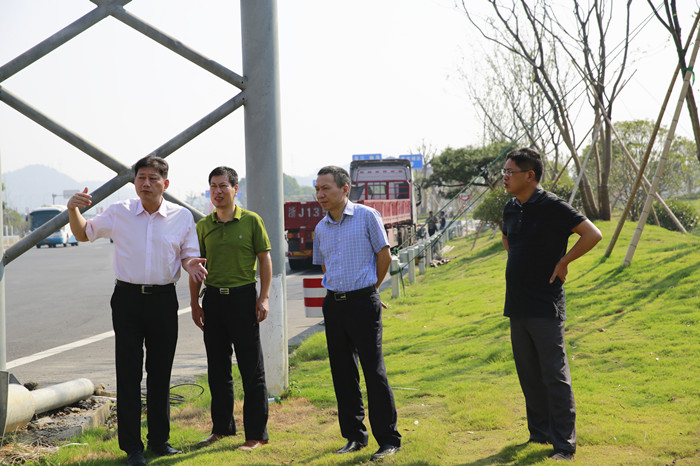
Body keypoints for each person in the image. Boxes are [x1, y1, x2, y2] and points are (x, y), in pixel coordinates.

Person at [67, 156, 208, 466]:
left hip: (163, 300)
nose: (146, 183)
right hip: (127, 300)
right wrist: (73, 210)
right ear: (134, 182)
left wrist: (191, 266)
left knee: (160, 372)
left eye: (153, 178)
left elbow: (188, 256)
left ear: (165, 184)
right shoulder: (119, 212)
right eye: (141, 177)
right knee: (128, 373)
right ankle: (132, 448)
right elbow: (83, 233)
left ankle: (159, 441)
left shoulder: (182, 216)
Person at [500, 148, 602, 461]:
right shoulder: (511, 207)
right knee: (528, 373)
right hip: (517, 303)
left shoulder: (553, 206)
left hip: (546, 304)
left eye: (510, 172)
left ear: (529, 175)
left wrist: (564, 261)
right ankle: (539, 434)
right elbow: (506, 237)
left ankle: (564, 445)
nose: (504, 177)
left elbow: (592, 234)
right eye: (504, 171)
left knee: (554, 376)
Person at [312, 165, 402, 461]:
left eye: (326, 188)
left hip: (363, 302)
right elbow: (325, 265)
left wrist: (370, 290)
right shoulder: (320, 228)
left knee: (373, 371)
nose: (320, 194)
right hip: (333, 305)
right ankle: (354, 436)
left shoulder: (366, 216)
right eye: (317, 189)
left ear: (344, 189)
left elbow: (384, 255)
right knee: (342, 372)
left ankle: (388, 439)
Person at [189, 166, 272, 451]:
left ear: (235, 189)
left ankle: (256, 434)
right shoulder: (204, 226)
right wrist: (194, 303)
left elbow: (265, 260)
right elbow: (196, 268)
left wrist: (264, 298)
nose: (217, 191)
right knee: (217, 368)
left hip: (243, 299)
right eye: (213, 186)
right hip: (213, 300)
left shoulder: (251, 220)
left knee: (251, 369)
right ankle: (222, 428)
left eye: (223, 185)